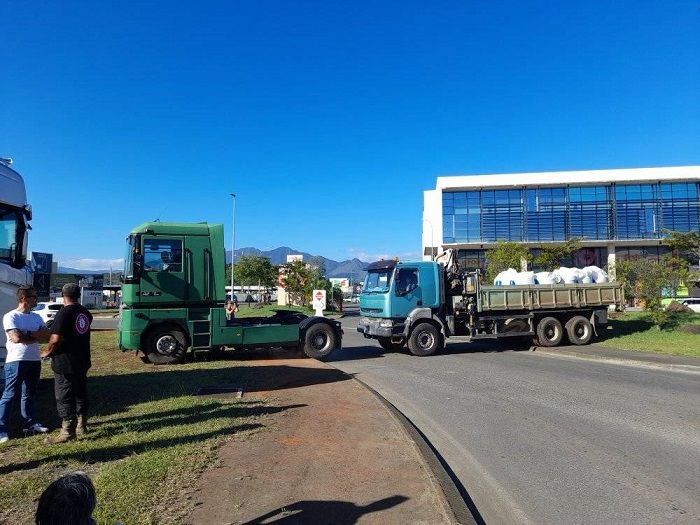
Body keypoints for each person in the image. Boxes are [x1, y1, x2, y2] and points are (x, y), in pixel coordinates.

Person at [41, 283, 93, 443]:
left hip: (65, 361)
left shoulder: (64, 312)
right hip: (82, 359)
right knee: (80, 392)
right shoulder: (85, 312)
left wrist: (47, 352)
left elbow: (55, 339)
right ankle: (82, 425)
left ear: (63, 294)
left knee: (64, 395)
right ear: (78, 295)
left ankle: (67, 432)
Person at [0, 286, 51, 443]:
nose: (36, 299)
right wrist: (34, 336)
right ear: (23, 298)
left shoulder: (36, 317)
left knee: (29, 393)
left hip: (34, 360)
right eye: (33, 297)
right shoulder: (11, 316)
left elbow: (46, 336)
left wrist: (27, 335)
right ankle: (2, 430)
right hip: (16, 360)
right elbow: (15, 337)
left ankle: (29, 423)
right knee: (9, 395)